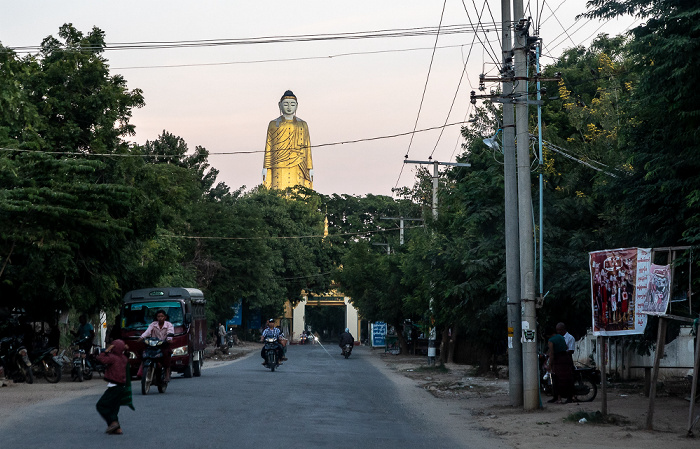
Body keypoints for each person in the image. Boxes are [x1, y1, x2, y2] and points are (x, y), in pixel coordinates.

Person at [262, 90, 313, 191]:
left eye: (292, 104)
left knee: (298, 191)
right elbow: (268, 146)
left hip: (299, 163)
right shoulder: (273, 124)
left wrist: (310, 167)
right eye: (286, 104)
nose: (289, 107)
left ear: (297, 106)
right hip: (278, 163)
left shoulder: (303, 124)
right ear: (280, 105)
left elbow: (308, 146)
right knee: (278, 190)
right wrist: (266, 167)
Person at [95, 339, 129, 435]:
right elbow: (126, 354)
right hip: (122, 386)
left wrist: (106, 351)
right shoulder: (124, 358)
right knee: (114, 408)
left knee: (101, 405)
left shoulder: (112, 357)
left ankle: (113, 423)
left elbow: (101, 359)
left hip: (114, 386)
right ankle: (117, 429)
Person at [137, 310, 174, 382]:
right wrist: (141, 338)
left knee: (166, 354)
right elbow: (147, 332)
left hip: (163, 344)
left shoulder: (169, 325)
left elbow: (170, 332)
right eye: (158, 316)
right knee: (144, 352)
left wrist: (169, 339)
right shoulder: (153, 324)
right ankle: (142, 369)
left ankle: (167, 373)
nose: (160, 318)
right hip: (153, 344)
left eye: (162, 316)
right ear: (156, 317)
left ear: (165, 317)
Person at [547, 325, 574, 404]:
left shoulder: (551, 340)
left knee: (557, 379)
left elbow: (551, 354)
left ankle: (558, 397)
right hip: (566, 358)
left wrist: (550, 365)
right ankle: (568, 397)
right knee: (567, 379)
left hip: (558, 360)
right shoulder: (561, 337)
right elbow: (565, 347)